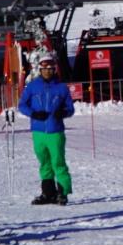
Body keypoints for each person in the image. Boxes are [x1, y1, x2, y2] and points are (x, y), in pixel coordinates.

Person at [18, 52, 75, 206]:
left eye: (50, 68)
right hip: (38, 132)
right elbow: (22, 105)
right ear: (40, 69)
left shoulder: (62, 88)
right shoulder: (32, 86)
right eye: (45, 69)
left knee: (58, 162)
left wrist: (63, 112)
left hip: (55, 131)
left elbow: (70, 108)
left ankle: (62, 193)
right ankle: (48, 193)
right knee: (44, 162)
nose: (48, 71)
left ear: (54, 69)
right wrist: (33, 114)